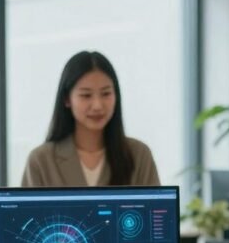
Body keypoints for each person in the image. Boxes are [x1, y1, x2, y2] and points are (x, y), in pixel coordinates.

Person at [22, 50, 160, 188]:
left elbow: (156, 208)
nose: (97, 105)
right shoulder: (41, 160)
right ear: (67, 99)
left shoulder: (139, 155)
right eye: (86, 95)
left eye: (106, 93)